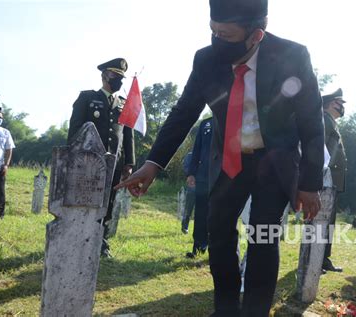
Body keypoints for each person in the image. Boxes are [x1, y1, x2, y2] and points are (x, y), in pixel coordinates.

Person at [116, 0, 324, 315]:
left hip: (275, 162)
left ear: (256, 34)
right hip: (230, 161)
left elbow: (311, 121)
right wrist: (152, 163)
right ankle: (225, 309)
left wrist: (310, 183)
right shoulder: (206, 60)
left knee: (263, 237)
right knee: (219, 229)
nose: (217, 41)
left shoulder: (292, 56)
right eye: (213, 31)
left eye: (225, 35)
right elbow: (183, 112)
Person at [68, 57, 135, 258]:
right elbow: (75, 129)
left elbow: (128, 134)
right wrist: (73, 155)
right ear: (105, 75)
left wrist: (129, 163)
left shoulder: (124, 103)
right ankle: (80, 236)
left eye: (122, 78)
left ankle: (101, 240)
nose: (119, 81)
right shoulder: (87, 98)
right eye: (116, 76)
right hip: (89, 161)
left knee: (109, 200)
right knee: (86, 198)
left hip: (114, 161)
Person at [321, 88, 347, 273]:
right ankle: (313, 258)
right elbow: (319, 150)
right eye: (340, 103)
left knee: (328, 222)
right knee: (320, 221)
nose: (342, 107)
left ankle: (323, 258)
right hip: (324, 179)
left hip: (332, 181)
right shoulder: (324, 120)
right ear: (331, 103)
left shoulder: (331, 122)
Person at [186, 117, 213, 258]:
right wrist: (191, 173)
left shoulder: (232, 119)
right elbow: (197, 149)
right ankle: (197, 246)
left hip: (223, 177)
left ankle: (214, 250)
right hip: (203, 176)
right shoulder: (205, 123)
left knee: (218, 215)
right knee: (200, 213)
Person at [181, 151, 196, 234]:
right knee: (188, 207)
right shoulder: (190, 155)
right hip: (192, 185)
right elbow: (186, 167)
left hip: (204, 185)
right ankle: (185, 225)